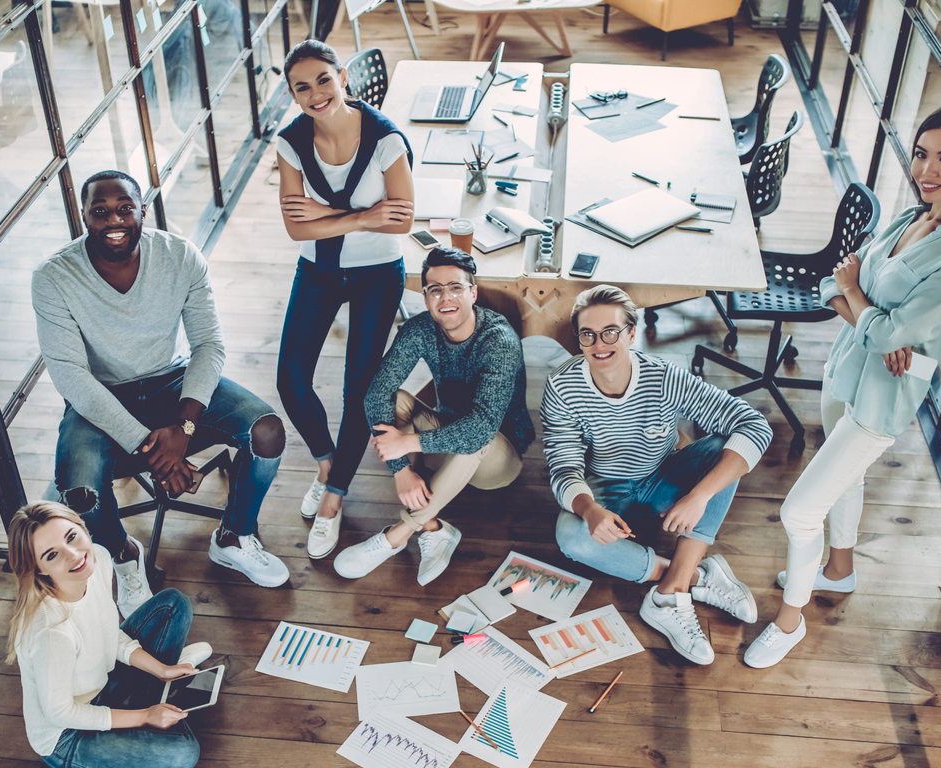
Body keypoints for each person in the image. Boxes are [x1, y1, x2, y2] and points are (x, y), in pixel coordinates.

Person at [746, 103, 941, 668]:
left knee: (798, 512)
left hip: (883, 397)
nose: (927, 169)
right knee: (846, 478)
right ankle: (839, 568)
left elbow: (869, 307)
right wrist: (870, 314)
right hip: (844, 369)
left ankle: (790, 621)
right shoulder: (911, 217)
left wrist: (865, 306)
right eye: (922, 153)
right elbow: (838, 283)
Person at [32, 170, 290, 615]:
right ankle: (122, 556)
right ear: (84, 216)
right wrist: (155, 449)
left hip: (172, 381)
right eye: (100, 211)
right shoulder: (53, 277)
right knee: (78, 489)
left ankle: (233, 537)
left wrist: (184, 429)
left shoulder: (178, 255)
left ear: (142, 210)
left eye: (125, 208)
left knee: (266, 432)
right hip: (100, 394)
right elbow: (72, 376)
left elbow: (209, 344)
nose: (114, 219)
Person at [543, 286, 773, 665]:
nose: (600, 344)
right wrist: (588, 511)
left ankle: (670, 593)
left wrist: (698, 496)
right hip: (608, 496)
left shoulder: (664, 378)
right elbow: (563, 464)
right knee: (570, 537)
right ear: (579, 339)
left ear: (632, 333)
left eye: (611, 331)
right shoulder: (562, 386)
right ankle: (696, 577)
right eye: (588, 334)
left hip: (666, 479)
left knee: (721, 451)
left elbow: (753, 425)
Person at [274, 39, 414, 562]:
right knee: (290, 377)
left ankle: (334, 498)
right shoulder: (290, 142)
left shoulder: (384, 140)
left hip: (378, 271)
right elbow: (294, 227)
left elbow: (401, 217)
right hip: (319, 268)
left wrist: (328, 215)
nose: (315, 94)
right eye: (302, 87)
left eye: (323, 80)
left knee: (360, 384)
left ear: (343, 78)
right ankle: (329, 462)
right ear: (293, 94)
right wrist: (362, 215)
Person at [335, 247, 534, 583]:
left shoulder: (499, 341)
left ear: (473, 292)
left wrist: (406, 443)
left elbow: (481, 428)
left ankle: (397, 535)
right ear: (426, 297)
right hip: (441, 443)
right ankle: (434, 528)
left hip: (499, 462)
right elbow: (376, 394)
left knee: (476, 437)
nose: (446, 298)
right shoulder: (419, 330)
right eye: (435, 289)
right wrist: (401, 470)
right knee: (394, 400)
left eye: (455, 287)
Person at [6, 501, 210, 768]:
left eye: (72, 536)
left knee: (173, 603)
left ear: (81, 525)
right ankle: (147, 706)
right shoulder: (51, 633)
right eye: (52, 555)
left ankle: (157, 688)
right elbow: (60, 713)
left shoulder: (98, 559)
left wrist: (160, 669)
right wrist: (144, 716)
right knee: (183, 755)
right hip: (67, 735)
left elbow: (107, 631)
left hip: (103, 681)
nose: (74, 555)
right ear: (39, 568)